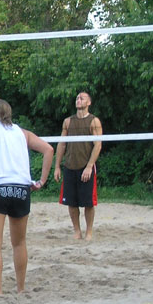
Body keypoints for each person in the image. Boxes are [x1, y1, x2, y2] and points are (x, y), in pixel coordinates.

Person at [0, 99, 53, 296]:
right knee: (19, 242)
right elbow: (48, 149)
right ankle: (20, 288)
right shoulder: (23, 133)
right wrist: (41, 181)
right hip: (21, 188)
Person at [53, 91, 103, 240]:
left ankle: (89, 232)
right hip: (70, 166)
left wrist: (89, 166)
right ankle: (77, 231)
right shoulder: (68, 122)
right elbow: (61, 144)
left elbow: (98, 145)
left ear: (89, 102)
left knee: (88, 203)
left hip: (85, 167)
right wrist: (57, 166)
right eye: (77, 98)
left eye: (82, 98)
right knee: (71, 203)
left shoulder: (94, 121)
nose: (78, 100)